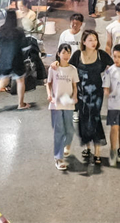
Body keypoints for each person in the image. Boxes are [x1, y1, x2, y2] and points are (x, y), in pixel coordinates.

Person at [69, 30, 113, 166]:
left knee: (94, 118)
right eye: (90, 40)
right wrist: (56, 65)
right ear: (83, 42)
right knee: (83, 118)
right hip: (81, 94)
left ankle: (97, 152)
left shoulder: (101, 55)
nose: (93, 42)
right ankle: (88, 148)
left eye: (95, 39)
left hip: (96, 94)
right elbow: (68, 68)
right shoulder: (77, 55)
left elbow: (115, 65)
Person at [0, 10, 30, 110]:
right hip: (16, 59)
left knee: (2, 81)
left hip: (5, 59)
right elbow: (25, 48)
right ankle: (21, 104)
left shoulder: (2, 30)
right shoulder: (19, 31)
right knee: (20, 81)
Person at [47, 43, 79, 171]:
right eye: (63, 53)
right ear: (59, 54)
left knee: (70, 130)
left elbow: (75, 86)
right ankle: (58, 158)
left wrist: (75, 97)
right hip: (56, 104)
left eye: (68, 53)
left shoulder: (73, 69)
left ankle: (66, 146)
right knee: (59, 131)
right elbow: (48, 83)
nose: (66, 55)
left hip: (69, 103)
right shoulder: (53, 68)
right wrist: (50, 95)